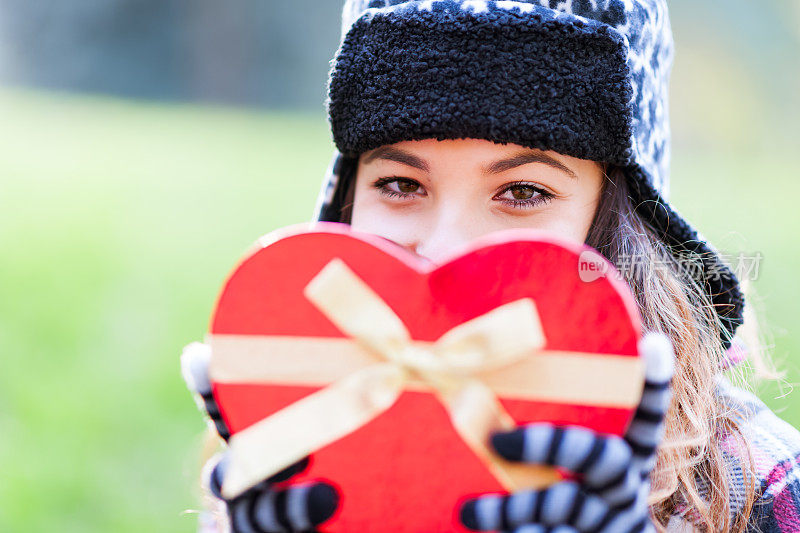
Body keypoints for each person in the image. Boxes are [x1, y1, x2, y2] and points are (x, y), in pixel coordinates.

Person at [182, 1, 800, 531]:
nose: (446, 248)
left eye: (523, 192)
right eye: (400, 182)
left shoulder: (764, 488)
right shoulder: (298, 449)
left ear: (619, 223)